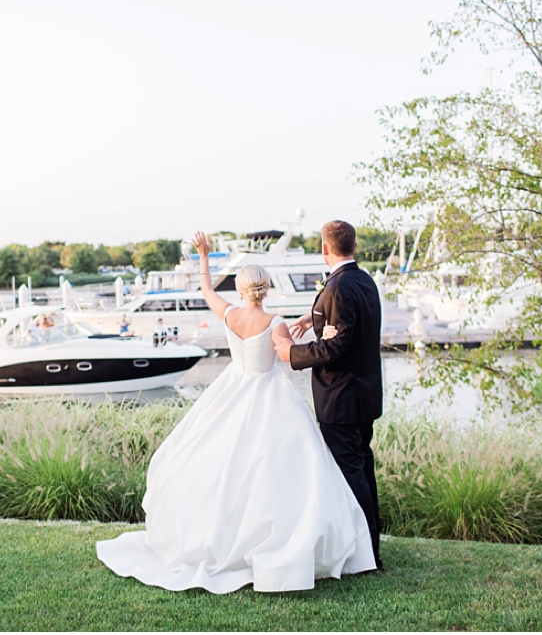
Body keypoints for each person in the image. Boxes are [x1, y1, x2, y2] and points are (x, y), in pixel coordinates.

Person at [95, 231, 376, 594]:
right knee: (279, 466)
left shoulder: (228, 315)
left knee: (221, 462)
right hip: (270, 395)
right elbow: (287, 351)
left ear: (242, 289)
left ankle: (222, 535)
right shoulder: (275, 322)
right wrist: (324, 336)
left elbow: (207, 292)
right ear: (265, 288)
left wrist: (204, 257)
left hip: (232, 389)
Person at [274, 219, 384, 570]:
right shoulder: (364, 280)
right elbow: (351, 323)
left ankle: (366, 554)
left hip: (342, 397)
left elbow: (336, 347)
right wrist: (314, 318)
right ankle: (369, 546)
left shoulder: (337, 288)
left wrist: (291, 353)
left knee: (350, 474)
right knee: (362, 470)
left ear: (325, 249)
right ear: (354, 246)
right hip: (364, 393)